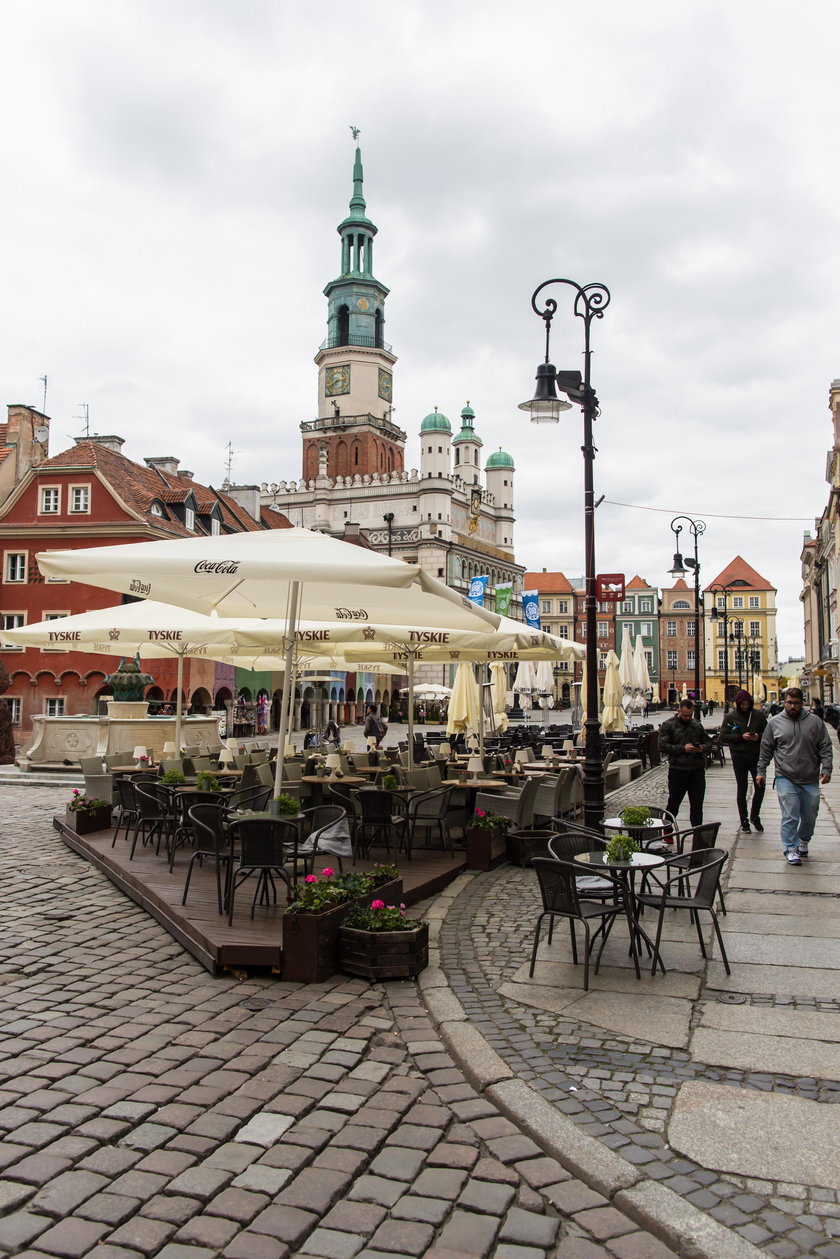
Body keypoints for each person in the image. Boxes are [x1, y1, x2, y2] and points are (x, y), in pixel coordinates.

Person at [756, 687, 832, 865]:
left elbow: (825, 747)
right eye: (789, 702)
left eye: (796, 703)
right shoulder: (775, 723)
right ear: (784, 702)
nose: (792, 706)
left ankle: (803, 841)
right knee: (790, 814)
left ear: (802, 703)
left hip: (809, 776)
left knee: (810, 813)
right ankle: (790, 847)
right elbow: (766, 749)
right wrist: (761, 771)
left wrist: (826, 768)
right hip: (785, 776)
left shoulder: (815, 722)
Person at [720, 689, 768, 832]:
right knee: (742, 789)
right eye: (743, 704)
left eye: (747, 704)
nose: (745, 706)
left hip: (756, 756)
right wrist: (741, 737)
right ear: (739, 704)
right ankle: (744, 820)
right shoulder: (730, 716)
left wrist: (758, 736)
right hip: (739, 756)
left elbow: (768, 733)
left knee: (760, 786)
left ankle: (755, 815)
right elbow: (723, 736)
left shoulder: (758, 715)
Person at [659, 698, 710, 826]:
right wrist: (682, 749)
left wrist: (702, 748)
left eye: (690, 715)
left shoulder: (696, 725)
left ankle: (697, 833)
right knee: (674, 803)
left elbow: (709, 742)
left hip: (696, 770)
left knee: (697, 805)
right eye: (685, 715)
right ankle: (667, 830)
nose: (688, 718)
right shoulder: (668, 725)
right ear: (679, 711)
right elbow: (662, 746)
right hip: (678, 770)